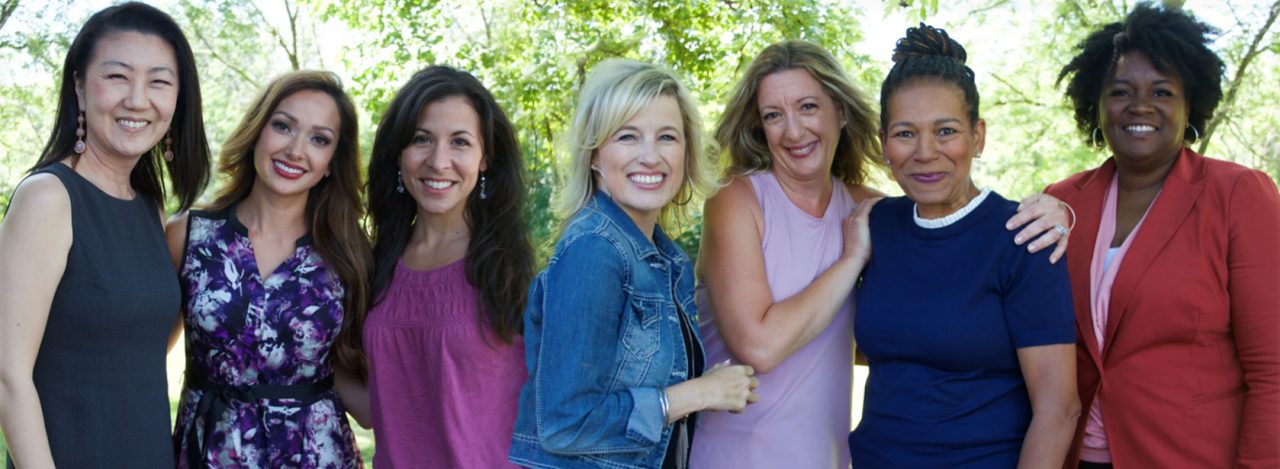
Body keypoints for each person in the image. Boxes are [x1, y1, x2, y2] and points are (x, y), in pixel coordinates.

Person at [691, 40, 1073, 468]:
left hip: (827, 455)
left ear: (840, 112)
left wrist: (1059, 212)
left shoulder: (871, 210)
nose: (794, 131)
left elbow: (947, 265)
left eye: (808, 107)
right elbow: (763, 347)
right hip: (740, 450)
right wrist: (851, 260)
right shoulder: (750, 201)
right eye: (773, 115)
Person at [1051, 4, 1279, 467]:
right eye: (1120, 91)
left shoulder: (1238, 194)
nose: (1140, 105)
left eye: (1162, 91)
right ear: (1096, 104)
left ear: (1188, 104)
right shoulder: (1063, 202)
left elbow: (1273, 369)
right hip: (1075, 456)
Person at [508, 59, 760, 469]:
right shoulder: (594, 250)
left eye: (667, 137)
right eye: (628, 136)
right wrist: (698, 393)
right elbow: (564, 422)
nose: (650, 156)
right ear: (594, 155)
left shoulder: (665, 260)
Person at [847, 24, 1079, 467]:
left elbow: (1059, 410)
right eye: (905, 133)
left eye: (946, 131)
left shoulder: (1022, 236)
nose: (925, 152)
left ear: (978, 137)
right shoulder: (875, 226)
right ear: (883, 143)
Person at [0, 3, 210, 467]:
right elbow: (7, 376)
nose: (137, 99)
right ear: (79, 86)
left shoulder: (150, 207)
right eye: (117, 76)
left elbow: (135, 347)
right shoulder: (49, 197)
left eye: (159, 82)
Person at [166, 70, 369, 468]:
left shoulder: (350, 254)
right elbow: (141, 357)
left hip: (317, 456)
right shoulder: (188, 236)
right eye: (283, 126)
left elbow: (350, 377)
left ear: (332, 161)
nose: (295, 150)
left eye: (319, 139)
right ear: (257, 131)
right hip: (209, 453)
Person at [360, 65, 534, 468]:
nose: (439, 161)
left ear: (484, 158)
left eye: (460, 142)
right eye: (421, 139)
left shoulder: (512, 272)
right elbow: (378, 407)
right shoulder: (374, 264)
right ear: (398, 153)